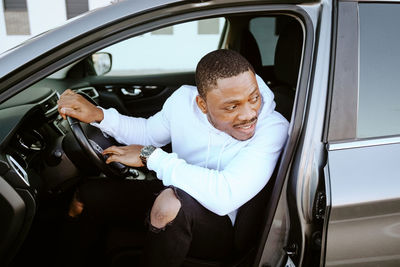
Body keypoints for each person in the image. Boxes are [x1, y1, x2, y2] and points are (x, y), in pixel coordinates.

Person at [57, 49, 289, 266]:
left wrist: (151, 158)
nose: (249, 114)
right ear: (202, 105)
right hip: (178, 191)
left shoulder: (273, 127)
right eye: (232, 107)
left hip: (224, 225)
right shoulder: (182, 103)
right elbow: (148, 133)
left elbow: (225, 194)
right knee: (88, 194)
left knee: (168, 204)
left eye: (254, 98)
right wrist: (99, 116)